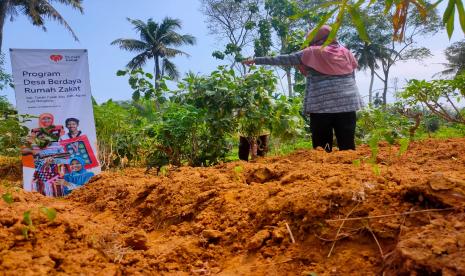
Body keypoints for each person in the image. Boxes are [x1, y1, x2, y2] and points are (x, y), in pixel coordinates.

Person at [242, 25, 363, 152]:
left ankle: (324, 170)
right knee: (347, 145)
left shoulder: (312, 52)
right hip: (348, 104)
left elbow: (283, 59)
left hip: (321, 106)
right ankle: (349, 169)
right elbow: (352, 77)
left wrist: (256, 60)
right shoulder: (346, 52)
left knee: (322, 147)